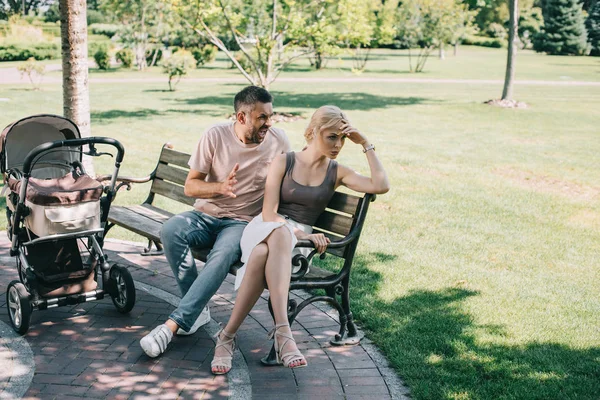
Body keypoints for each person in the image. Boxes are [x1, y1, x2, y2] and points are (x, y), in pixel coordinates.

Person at [210, 105, 390, 374]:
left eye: (342, 138)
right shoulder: (285, 160)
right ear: (314, 132)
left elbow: (381, 185)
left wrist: (365, 143)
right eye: (332, 136)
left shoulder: (337, 171)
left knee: (261, 255)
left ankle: (226, 337)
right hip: (268, 227)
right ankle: (284, 333)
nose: (338, 144)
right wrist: (300, 233)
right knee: (279, 233)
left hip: (295, 249)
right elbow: (269, 213)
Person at [140, 86, 290, 358]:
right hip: (205, 215)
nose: (269, 123)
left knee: (221, 256)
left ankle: (174, 325)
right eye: (261, 118)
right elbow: (190, 187)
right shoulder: (215, 136)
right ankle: (196, 312)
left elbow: (291, 181)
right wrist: (219, 188)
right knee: (171, 228)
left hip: (241, 223)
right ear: (241, 117)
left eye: (271, 116)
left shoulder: (278, 141)